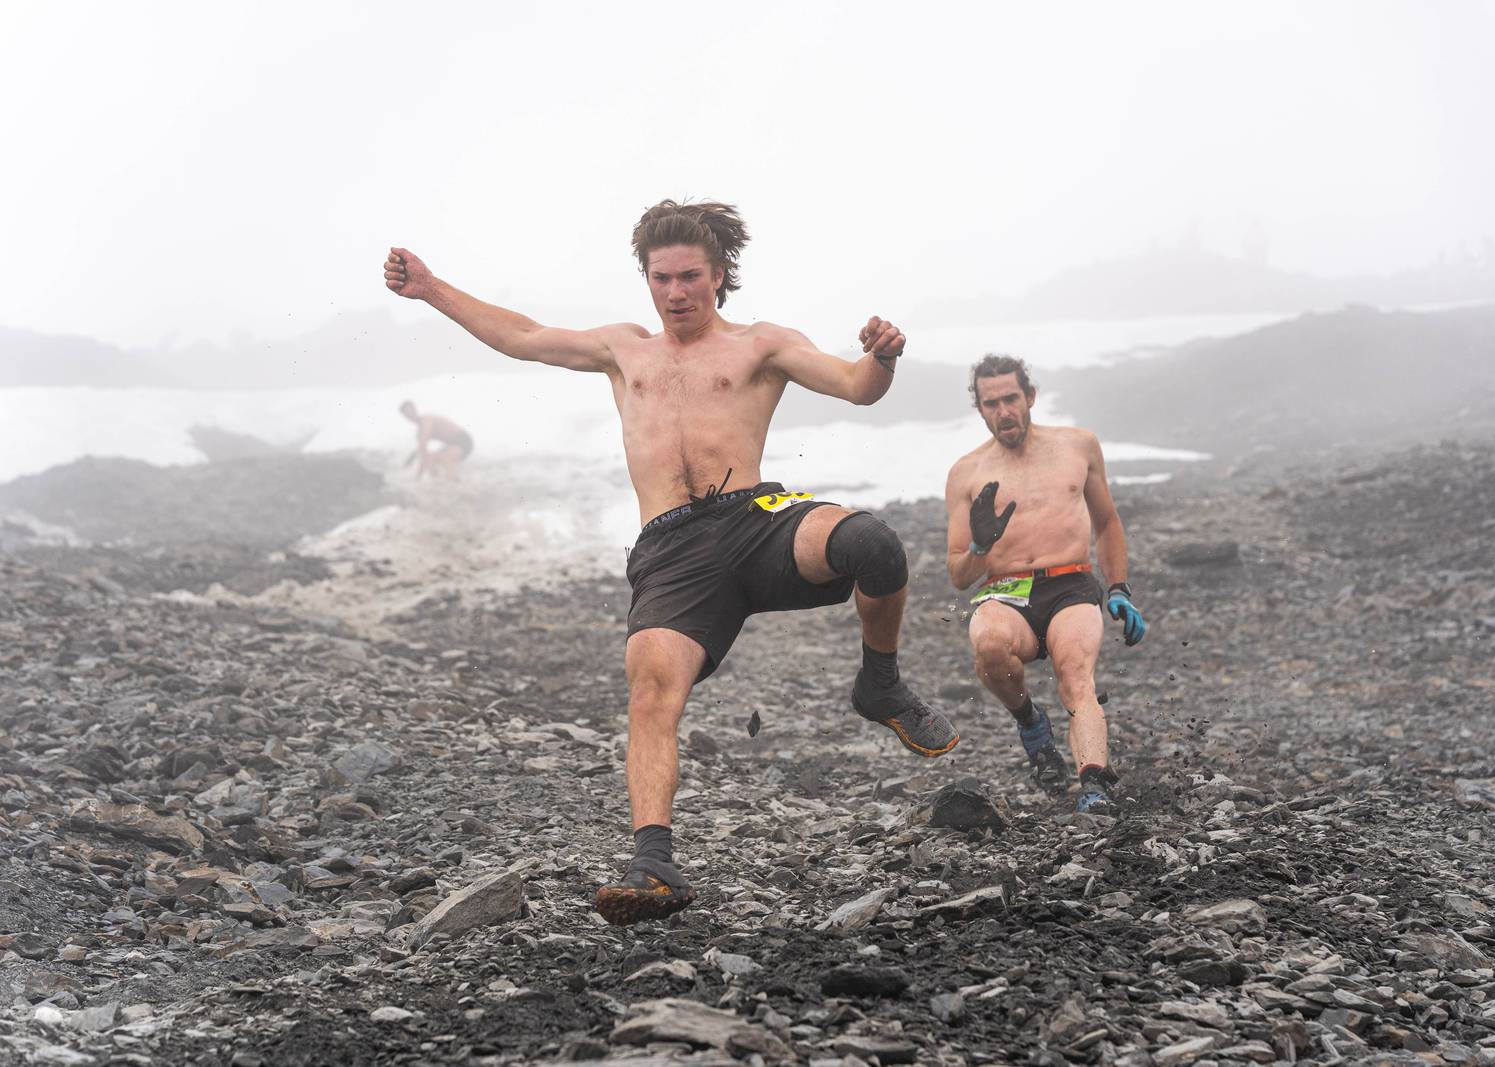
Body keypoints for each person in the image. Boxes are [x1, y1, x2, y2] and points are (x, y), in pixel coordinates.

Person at [383, 199, 958, 924]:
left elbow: (854, 386)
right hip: (673, 550)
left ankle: (881, 684)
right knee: (651, 691)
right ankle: (653, 863)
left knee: (870, 541)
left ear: (720, 275)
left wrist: (882, 356)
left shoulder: (762, 344)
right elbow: (523, 336)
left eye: (690, 276)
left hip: (756, 521)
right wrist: (432, 288)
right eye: (661, 279)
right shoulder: (625, 350)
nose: (676, 292)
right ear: (646, 280)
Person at [943, 354, 1146, 812]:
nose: (1004, 411)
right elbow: (958, 575)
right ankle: (1031, 723)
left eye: (1011, 398)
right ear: (979, 409)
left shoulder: (1078, 446)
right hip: (1005, 589)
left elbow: (1107, 522)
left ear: (1030, 397)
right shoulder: (966, 473)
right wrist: (980, 545)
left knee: (1075, 677)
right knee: (990, 645)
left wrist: (1118, 589)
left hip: (1070, 582)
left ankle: (1094, 786)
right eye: (991, 403)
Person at [399, 400, 474, 480]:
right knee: (430, 458)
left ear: (415, 409)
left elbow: (423, 444)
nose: (410, 415)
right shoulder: (419, 432)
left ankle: (454, 484)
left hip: (463, 440)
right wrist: (417, 477)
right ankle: (438, 482)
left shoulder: (427, 420)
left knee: (444, 457)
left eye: (411, 411)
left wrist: (414, 457)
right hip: (452, 445)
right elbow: (423, 452)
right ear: (405, 417)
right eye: (407, 414)